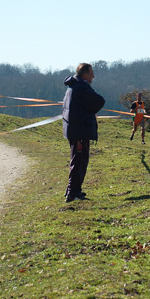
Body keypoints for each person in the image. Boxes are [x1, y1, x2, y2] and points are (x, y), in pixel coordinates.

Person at [62, 63, 105, 203]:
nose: (93, 75)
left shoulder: (72, 87)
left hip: (74, 129)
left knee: (78, 160)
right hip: (79, 130)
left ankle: (73, 190)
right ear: (85, 74)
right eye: (91, 73)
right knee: (79, 161)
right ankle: (73, 192)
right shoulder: (82, 87)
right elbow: (99, 101)